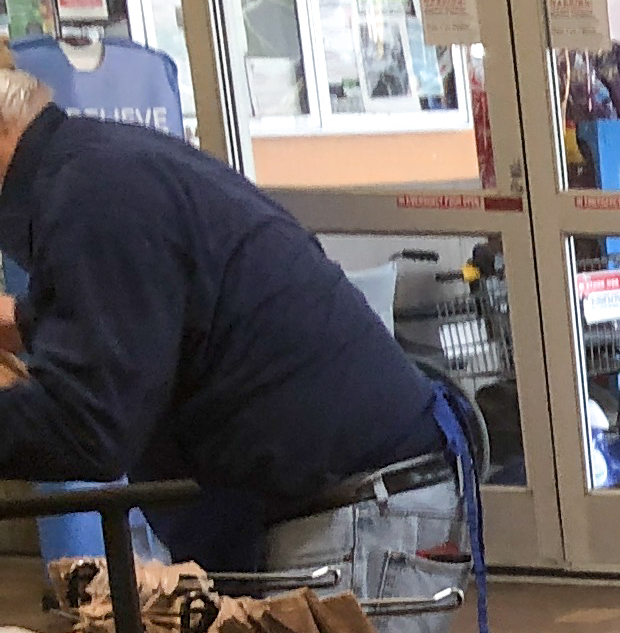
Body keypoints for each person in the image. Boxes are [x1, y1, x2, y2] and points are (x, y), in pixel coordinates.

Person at [0, 64, 468, 601]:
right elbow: (137, 317)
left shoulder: (91, 194)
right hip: (328, 491)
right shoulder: (91, 166)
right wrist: (26, 323)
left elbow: (89, 422)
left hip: (351, 504)